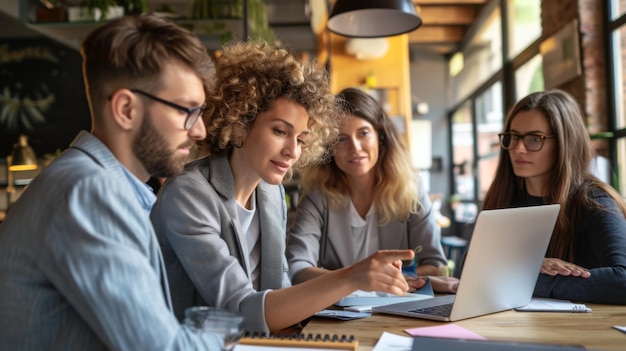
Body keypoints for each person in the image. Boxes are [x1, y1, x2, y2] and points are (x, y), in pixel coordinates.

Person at [151, 41, 414, 334]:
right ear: (239, 123)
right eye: (280, 131)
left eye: (300, 139)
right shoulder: (189, 194)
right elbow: (239, 309)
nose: (292, 151)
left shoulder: (270, 193)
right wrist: (351, 277)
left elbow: (280, 291)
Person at [0, 15, 223, 350]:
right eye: (186, 110)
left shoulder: (98, 184)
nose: (200, 130)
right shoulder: (89, 192)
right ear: (125, 109)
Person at [286, 87, 457, 293]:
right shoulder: (317, 197)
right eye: (341, 139)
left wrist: (385, 280)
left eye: (363, 133)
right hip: (340, 314)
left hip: (401, 307)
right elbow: (297, 269)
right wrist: (356, 279)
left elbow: (437, 265)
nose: (355, 147)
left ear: (380, 137)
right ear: (329, 148)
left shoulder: (411, 189)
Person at [482, 89, 626, 304]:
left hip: (580, 330)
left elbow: (622, 280)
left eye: (534, 138)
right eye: (514, 136)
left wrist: (525, 277)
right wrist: (530, 265)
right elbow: (474, 267)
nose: (519, 149)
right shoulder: (506, 198)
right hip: (512, 323)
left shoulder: (594, 201)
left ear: (564, 143)